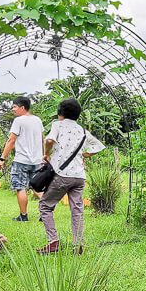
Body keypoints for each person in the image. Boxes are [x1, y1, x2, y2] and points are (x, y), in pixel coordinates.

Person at [37, 99, 105, 255]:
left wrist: (46, 153)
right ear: (78, 115)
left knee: (45, 206)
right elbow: (99, 146)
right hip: (79, 177)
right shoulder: (82, 130)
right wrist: (85, 155)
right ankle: (78, 246)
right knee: (77, 210)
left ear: (60, 114)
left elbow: (49, 140)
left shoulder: (57, 125)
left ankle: (53, 242)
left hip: (62, 175)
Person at [0, 96, 44, 222]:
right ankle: (45, 214)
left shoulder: (19, 121)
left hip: (22, 161)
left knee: (21, 187)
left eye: (15, 107)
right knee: (37, 188)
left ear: (22, 108)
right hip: (37, 161)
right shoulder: (38, 120)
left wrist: (2, 159)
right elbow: (42, 139)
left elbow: (11, 141)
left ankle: (23, 216)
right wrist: (43, 156)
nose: (13, 109)